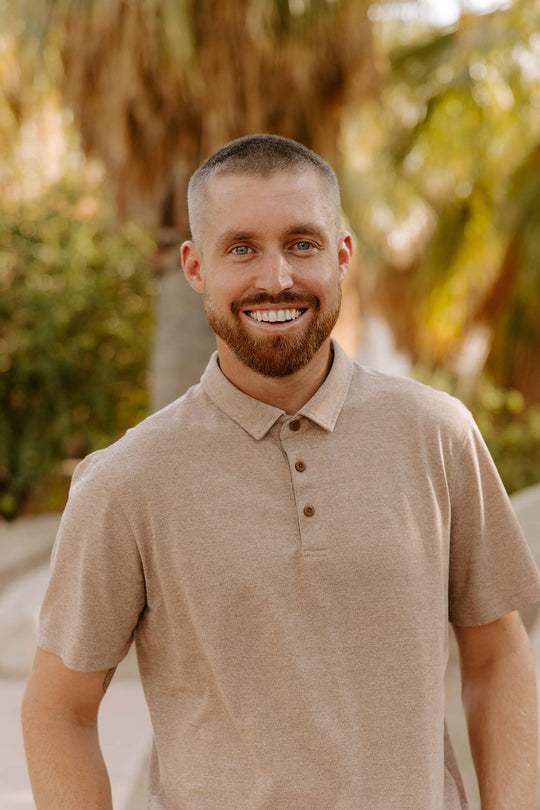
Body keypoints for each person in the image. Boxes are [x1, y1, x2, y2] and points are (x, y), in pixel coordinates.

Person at [22, 134, 540, 810]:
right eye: (241, 248)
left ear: (342, 255)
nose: (276, 278)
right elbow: (58, 708)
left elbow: (498, 657)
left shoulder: (437, 435)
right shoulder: (126, 481)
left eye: (302, 244)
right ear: (196, 266)